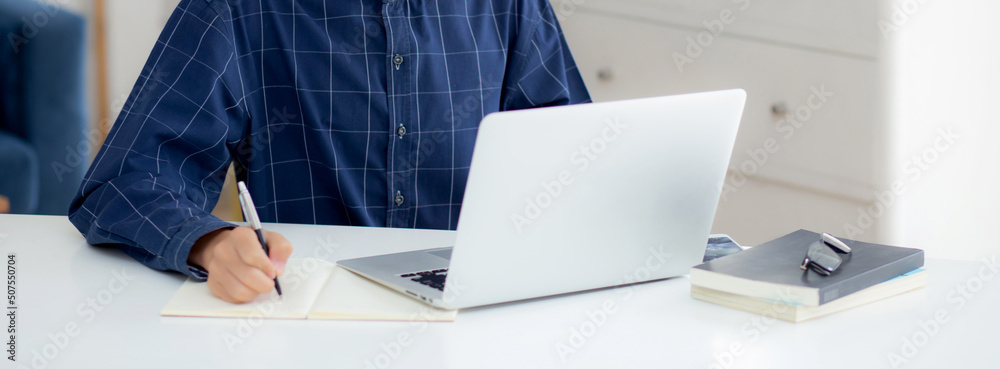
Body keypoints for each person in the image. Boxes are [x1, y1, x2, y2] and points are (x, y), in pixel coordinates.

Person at [69, 0, 590, 303]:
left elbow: (575, 155)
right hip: (310, 318)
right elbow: (126, 182)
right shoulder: (237, 10)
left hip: (482, 313)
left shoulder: (510, 6)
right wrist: (208, 242)